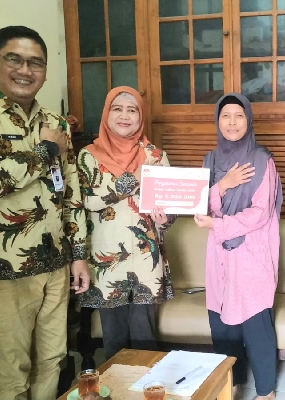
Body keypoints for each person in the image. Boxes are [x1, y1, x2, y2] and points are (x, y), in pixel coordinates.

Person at [0, 26, 90, 400]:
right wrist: (45, 151)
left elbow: (70, 193)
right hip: (4, 270)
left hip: (55, 265)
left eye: (35, 62)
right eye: (14, 59)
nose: (25, 70)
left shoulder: (55, 123)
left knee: (52, 360)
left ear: (45, 72)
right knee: (12, 368)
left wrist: (79, 255)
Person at [193, 93, 283, 400]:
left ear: (249, 119)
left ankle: (266, 391)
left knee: (256, 323)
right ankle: (230, 383)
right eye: (226, 116)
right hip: (219, 254)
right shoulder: (209, 160)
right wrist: (223, 185)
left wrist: (218, 225)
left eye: (239, 115)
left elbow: (260, 213)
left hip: (252, 254)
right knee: (222, 326)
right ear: (217, 121)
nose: (232, 122)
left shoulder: (261, 159)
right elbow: (200, 205)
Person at [76, 86, 176, 360]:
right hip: (107, 263)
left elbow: (168, 209)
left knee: (145, 339)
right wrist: (134, 179)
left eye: (132, 110)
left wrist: (165, 219)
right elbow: (88, 201)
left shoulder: (155, 156)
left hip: (145, 262)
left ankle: (147, 383)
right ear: (106, 114)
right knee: (114, 341)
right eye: (117, 109)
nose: (124, 116)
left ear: (140, 116)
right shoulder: (89, 156)